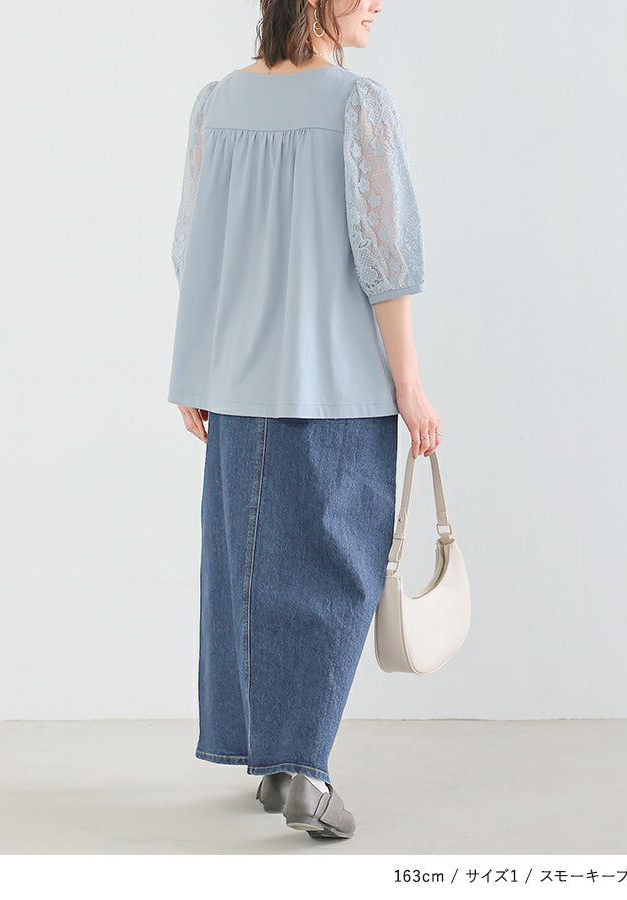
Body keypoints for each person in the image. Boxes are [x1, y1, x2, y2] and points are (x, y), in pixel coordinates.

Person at [167, 0, 440, 840]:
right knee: (331, 575)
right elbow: (387, 256)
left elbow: (194, 248)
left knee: (248, 571)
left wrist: (195, 369)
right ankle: (305, 772)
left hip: (235, 382)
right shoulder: (357, 104)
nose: (379, 4)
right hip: (336, 385)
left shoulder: (218, 103)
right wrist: (410, 385)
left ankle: (273, 759)